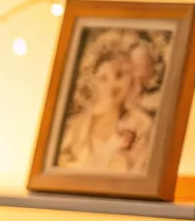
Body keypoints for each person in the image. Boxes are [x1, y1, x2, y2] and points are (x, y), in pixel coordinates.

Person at [56, 30, 157, 174]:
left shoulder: (141, 125)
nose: (112, 86)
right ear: (93, 79)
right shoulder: (76, 126)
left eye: (120, 76)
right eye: (103, 78)